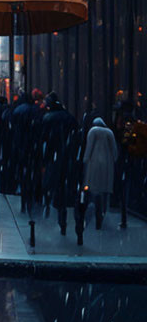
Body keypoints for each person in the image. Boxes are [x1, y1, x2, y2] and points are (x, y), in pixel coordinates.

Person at [75, 117, 118, 245]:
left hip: (94, 163)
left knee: (92, 188)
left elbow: (89, 148)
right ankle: (101, 214)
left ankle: (93, 211)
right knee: (103, 190)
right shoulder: (109, 132)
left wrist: (84, 160)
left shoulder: (93, 131)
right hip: (107, 165)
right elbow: (115, 152)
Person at [42, 93, 80, 235]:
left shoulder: (48, 118)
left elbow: (44, 141)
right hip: (68, 158)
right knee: (66, 187)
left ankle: (59, 213)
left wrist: (45, 159)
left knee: (55, 185)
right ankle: (66, 216)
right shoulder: (69, 118)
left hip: (55, 158)